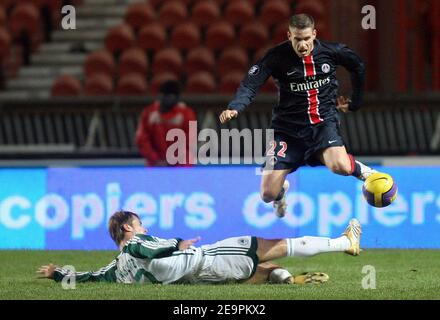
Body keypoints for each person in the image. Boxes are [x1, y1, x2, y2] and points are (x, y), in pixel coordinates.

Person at [219, 14, 378, 217]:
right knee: (267, 194)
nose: (302, 45)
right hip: (286, 130)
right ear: (289, 36)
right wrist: (235, 106)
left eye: (306, 39)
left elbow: (358, 66)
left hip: (322, 123)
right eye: (297, 39)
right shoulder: (276, 57)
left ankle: (368, 174)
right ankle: (281, 192)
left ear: (314, 34)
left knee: (340, 166)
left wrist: (355, 102)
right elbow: (251, 83)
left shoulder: (332, 51)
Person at [37, 211, 362, 285]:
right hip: (207, 258)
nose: (144, 227)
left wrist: (57, 275)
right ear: (127, 228)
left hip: (199, 278)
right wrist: (177, 243)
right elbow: (151, 250)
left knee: (252, 270)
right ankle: (344, 243)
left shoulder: (117, 266)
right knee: (271, 245)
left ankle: (287, 280)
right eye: (139, 222)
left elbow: (90, 277)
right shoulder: (136, 243)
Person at [135, 80, 196, 166]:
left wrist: (175, 162)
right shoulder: (149, 113)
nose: (169, 99)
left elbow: (191, 142)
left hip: (181, 166)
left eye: (172, 96)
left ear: (177, 98)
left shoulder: (187, 114)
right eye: (166, 96)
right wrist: (155, 159)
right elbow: (142, 140)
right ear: (161, 96)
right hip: (155, 166)